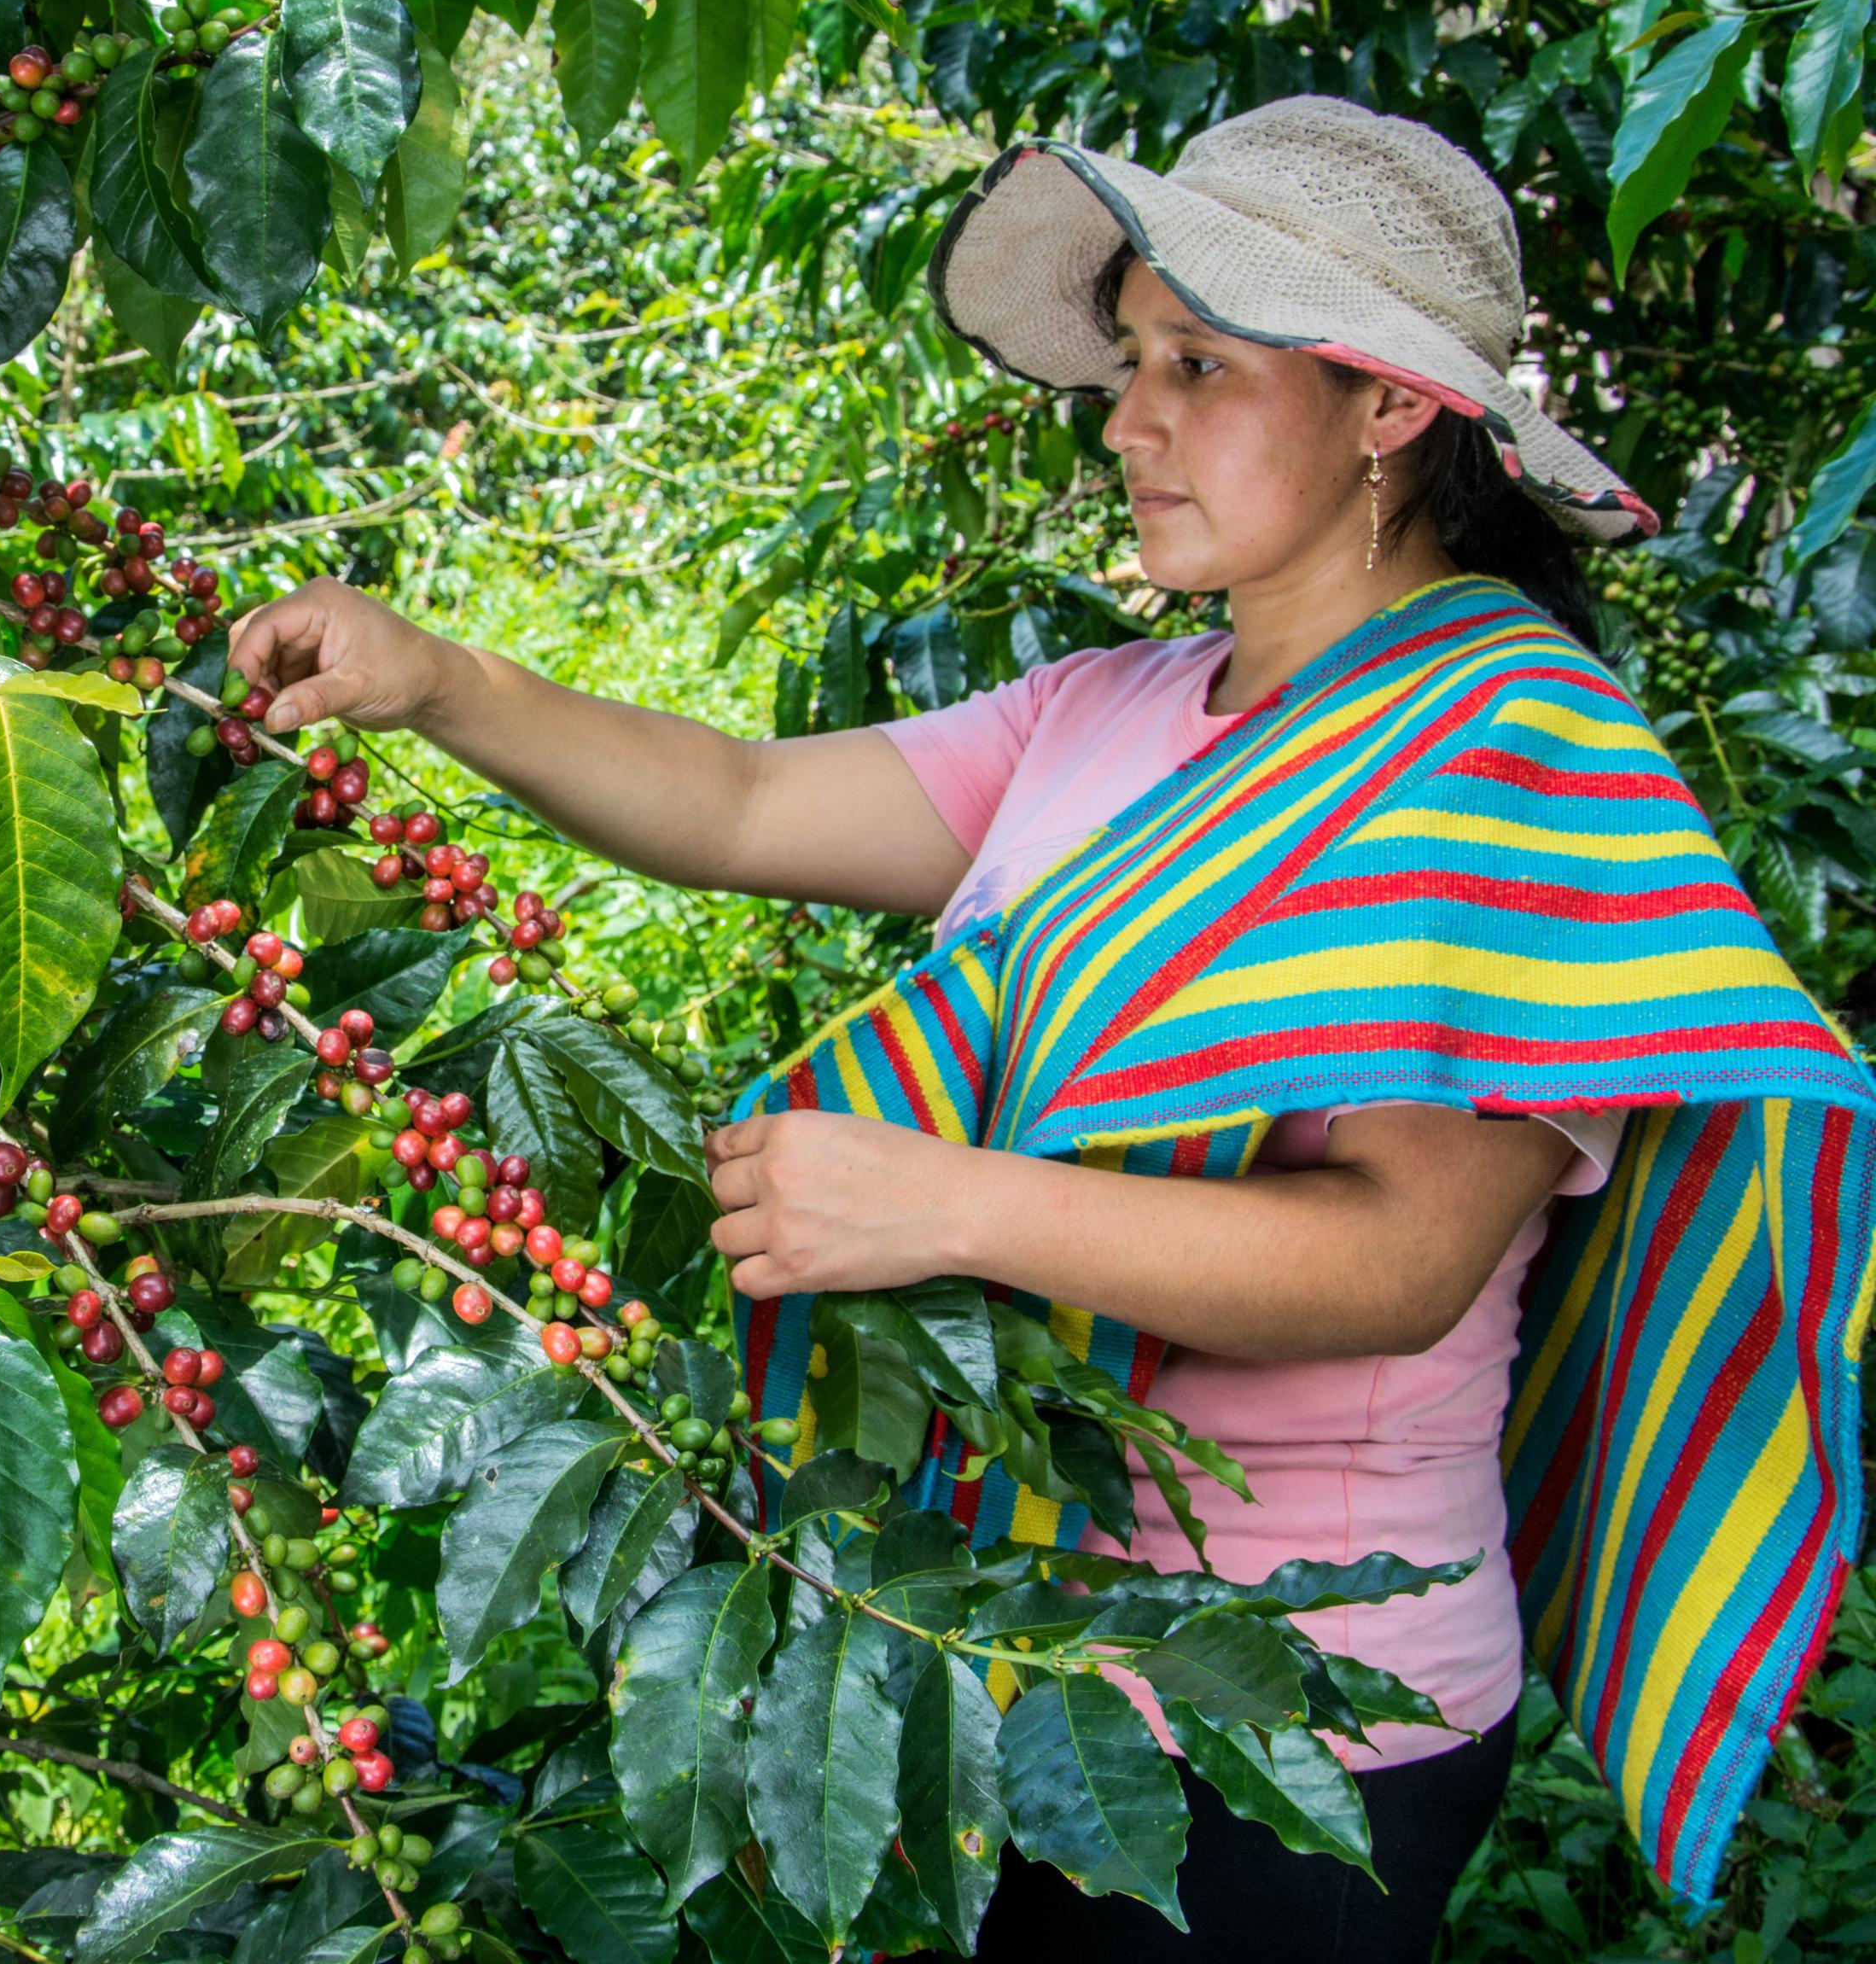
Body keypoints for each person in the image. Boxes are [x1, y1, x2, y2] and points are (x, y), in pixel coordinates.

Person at [227, 97, 1876, 1961]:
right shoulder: (1114, 705)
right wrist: (439, 676)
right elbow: (751, 803)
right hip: (980, 1643)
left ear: (1391, 410)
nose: (1125, 417)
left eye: (1197, 365)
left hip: (1290, 1703)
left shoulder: (1514, 762)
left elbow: (1409, 1257)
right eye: (1130, 358)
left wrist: (946, 1206)